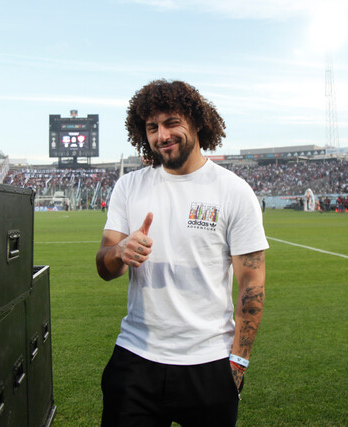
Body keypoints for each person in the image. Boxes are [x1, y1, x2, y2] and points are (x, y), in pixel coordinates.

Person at [96, 79, 269, 427]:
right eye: (152, 127)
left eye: (171, 122)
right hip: (136, 359)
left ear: (197, 121)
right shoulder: (129, 187)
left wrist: (239, 361)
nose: (162, 135)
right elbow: (104, 265)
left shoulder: (234, 191)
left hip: (209, 363)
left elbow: (251, 283)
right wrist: (120, 250)